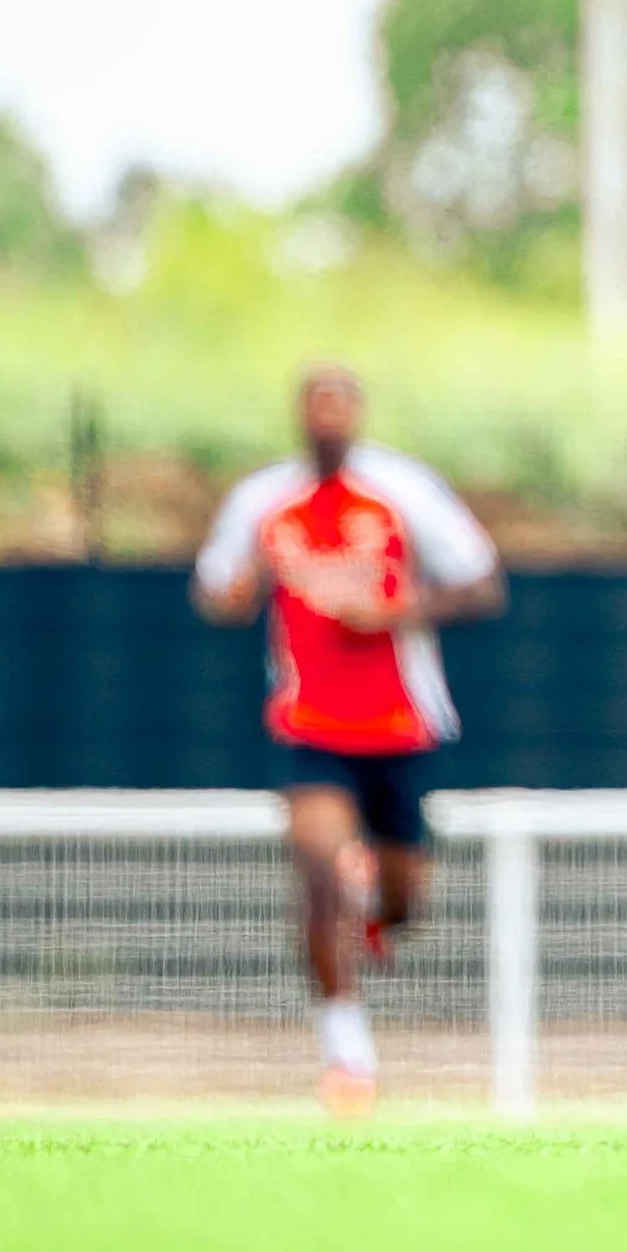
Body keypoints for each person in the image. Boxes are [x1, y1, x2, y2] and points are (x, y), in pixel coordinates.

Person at [194, 366, 503, 1112]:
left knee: (402, 903)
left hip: (401, 722)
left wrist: (397, 611)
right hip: (310, 723)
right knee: (318, 870)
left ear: (357, 414)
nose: (326, 420)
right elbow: (215, 590)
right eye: (315, 406)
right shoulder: (264, 499)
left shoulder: (402, 490)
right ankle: (347, 1055)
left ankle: (376, 901)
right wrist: (235, 594)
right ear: (299, 415)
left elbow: (482, 585)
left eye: (338, 406)